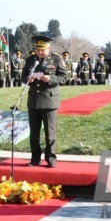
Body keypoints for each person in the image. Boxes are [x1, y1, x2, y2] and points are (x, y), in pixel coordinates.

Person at [21, 35, 68, 168]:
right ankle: (35, 158)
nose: (40, 52)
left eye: (43, 50)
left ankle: (51, 158)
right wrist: (28, 79)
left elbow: (64, 77)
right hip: (33, 100)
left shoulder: (56, 59)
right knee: (34, 133)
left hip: (49, 100)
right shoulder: (30, 60)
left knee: (50, 133)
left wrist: (50, 78)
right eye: (38, 50)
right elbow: (23, 76)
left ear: (48, 48)